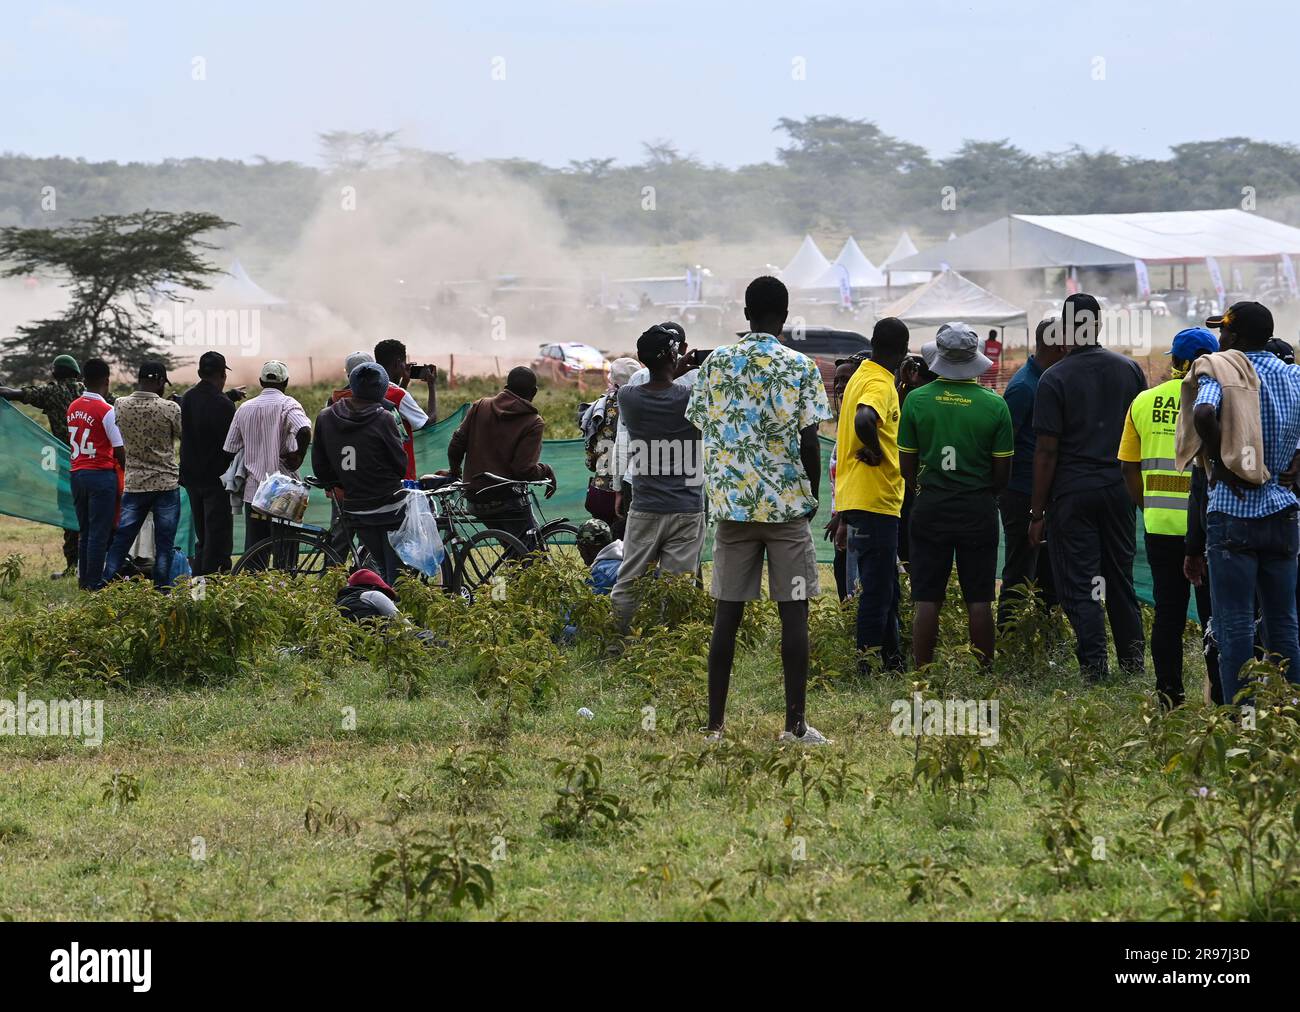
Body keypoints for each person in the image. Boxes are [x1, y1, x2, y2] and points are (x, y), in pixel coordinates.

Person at [686, 275, 832, 744]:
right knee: (794, 615)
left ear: (745, 313)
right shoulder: (800, 366)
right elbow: (810, 440)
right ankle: (794, 725)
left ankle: (715, 727)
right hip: (786, 509)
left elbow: (701, 427)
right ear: (785, 315)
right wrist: (808, 494)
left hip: (732, 510)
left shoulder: (716, 365)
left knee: (726, 616)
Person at [1029, 293, 1147, 681]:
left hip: (1073, 495)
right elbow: (1139, 440)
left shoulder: (1054, 377)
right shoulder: (1129, 370)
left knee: (1082, 583)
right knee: (1119, 579)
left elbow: (1046, 451)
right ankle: (1132, 664)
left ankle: (1094, 668)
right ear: (1098, 326)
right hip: (1119, 491)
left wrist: (1036, 512)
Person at [1188, 302, 1300, 704]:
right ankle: (1288, 716)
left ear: (1234, 337)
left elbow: (1202, 413)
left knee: (1234, 624)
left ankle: (1243, 719)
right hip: (1283, 514)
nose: (1219, 339)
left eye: (1223, 332)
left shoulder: (1222, 369)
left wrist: (1225, 461)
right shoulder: (1293, 375)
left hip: (1234, 515)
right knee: (1283, 621)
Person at [899, 323, 1013, 667]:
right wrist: (980, 491)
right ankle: (984, 670)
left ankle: (922, 672)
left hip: (930, 505)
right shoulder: (995, 406)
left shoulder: (916, 400)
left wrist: (926, 488)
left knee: (926, 597)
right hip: (977, 508)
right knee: (979, 598)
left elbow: (906, 467)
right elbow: (1002, 476)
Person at [1119, 326, 1219, 708]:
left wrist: (1147, 506)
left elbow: (1128, 466)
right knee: (1215, 617)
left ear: (1176, 362)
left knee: (1168, 615)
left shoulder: (1143, 402)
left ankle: (1169, 697)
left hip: (1160, 525)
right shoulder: (1215, 400)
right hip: (1208, 526)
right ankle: (1219, 699)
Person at [609, 325, 706, 636]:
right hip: (687, 506)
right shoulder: (692, 399)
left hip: (646, 505)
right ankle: (672, 648)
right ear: (673, 356)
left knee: (629, 582)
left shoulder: (627, 398)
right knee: (678, 586)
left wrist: (670, 369)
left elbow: (656, 386)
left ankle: (619, 644)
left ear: (640, 358)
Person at [836, 317, 910, 674]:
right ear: (902, 352)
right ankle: (866, 667)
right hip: (875, 498)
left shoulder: (860, 376)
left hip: (859, 497)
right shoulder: (880, 383)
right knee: (878, 591)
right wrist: (879, 451)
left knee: (887, 586)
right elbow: (865, 421)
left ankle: (894, 662)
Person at [312, 362, 409, 585]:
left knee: (381, 566)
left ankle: (377, 610)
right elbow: (400, 466)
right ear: (382, 389)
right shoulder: (383, 418)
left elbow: (321, 467)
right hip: (389, 507)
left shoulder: (326, 417)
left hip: (355, 507)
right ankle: (395, 615)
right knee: (395, 571)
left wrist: (344, 482)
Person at [997, 317, 1065, 626]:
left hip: (1045, 493)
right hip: (1022, 492)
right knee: (1019, 571)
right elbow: (1004, 443)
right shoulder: (1024, 387)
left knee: (1049, 571)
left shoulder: (1050, 380)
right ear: (1056, 345)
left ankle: (1047, 637)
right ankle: (1010, 636)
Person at [446, 366, 556, 549]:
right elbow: (523, 470)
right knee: (533, 555)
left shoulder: (480, 406)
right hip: (506, 501)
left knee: (514, 553)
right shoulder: (533, 422)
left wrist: (454, 471)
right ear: (534, 392)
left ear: (506, 387)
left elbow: (456, 444)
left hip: (474, 500)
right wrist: (546, 470)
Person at [1, 354, 85, 577]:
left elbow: (13, 394)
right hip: (95, 462)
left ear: (55, 373)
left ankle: (73, 565)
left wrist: (4, 388)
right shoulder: (92, 392)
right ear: (77, 374)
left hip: (66, 465)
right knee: (96, 514)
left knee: (69, 512)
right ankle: (96, 563)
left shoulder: (51, 392)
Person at [102, 362, 182, 590]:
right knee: (164, 545)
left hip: (135, 483)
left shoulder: (120, 405)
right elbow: (182, 434)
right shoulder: (170, 408)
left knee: (122, 540)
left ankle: (105, 584)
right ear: (159, 382)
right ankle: (162, 591)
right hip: (165, 484)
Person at [222, 361, 312, 563]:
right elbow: (305, 430)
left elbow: (229, 448)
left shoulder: (244, 408)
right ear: (286, 382)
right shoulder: (288, 404)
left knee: (255, 552)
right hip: (285, 490)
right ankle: (285, 589)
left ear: (261, 381)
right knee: (286, 550)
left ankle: (255, 592)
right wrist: (299, 455)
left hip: (254, 492)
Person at [179, 351, 240, 575]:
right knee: (217, 539)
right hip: (216, 481)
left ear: (199, 373)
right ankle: (207, 589)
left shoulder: (187, 397)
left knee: (203, 536)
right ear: (223, 375)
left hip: (192, 479)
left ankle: (200, 588)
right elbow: (231, 446)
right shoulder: (224, 405)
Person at [65, 359, 124, 590]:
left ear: (83, 380)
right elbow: (119, 451)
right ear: (106, 381)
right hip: (100, 476)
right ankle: (94, 585)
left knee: (85, 532)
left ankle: (83, 582)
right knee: (100, 533)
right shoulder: (107, 411)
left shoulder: (73, 406)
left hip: (77, 474)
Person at [580, 356, 640, 539]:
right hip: (633, 487)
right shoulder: (642, 404)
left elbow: (591, 447)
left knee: (601, 544)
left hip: (602, 488)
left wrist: (594, 465)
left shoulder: (600, 407)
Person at [826, 356, 865, 600]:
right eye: (837, 380)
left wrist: (842, 518)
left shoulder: (862, 418)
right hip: (842, 515)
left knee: (855, 581)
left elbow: (857, 475)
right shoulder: (846, 419)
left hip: (854, 516)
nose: (839, 385)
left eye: (846, 379)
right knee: (844, 574)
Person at [373, 339, 435, 482]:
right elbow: (428, 422)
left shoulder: (368, 390)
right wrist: (432, 385)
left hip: (377, 473)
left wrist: (404, 383)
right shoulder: (399, 394)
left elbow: (392, 404)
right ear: (397, 363)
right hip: (402, 477)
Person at [576, 518, 623, 594]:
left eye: (580, 548)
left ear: (584, 548)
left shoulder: (601, 573)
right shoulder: (626, 555)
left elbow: (585, 604)